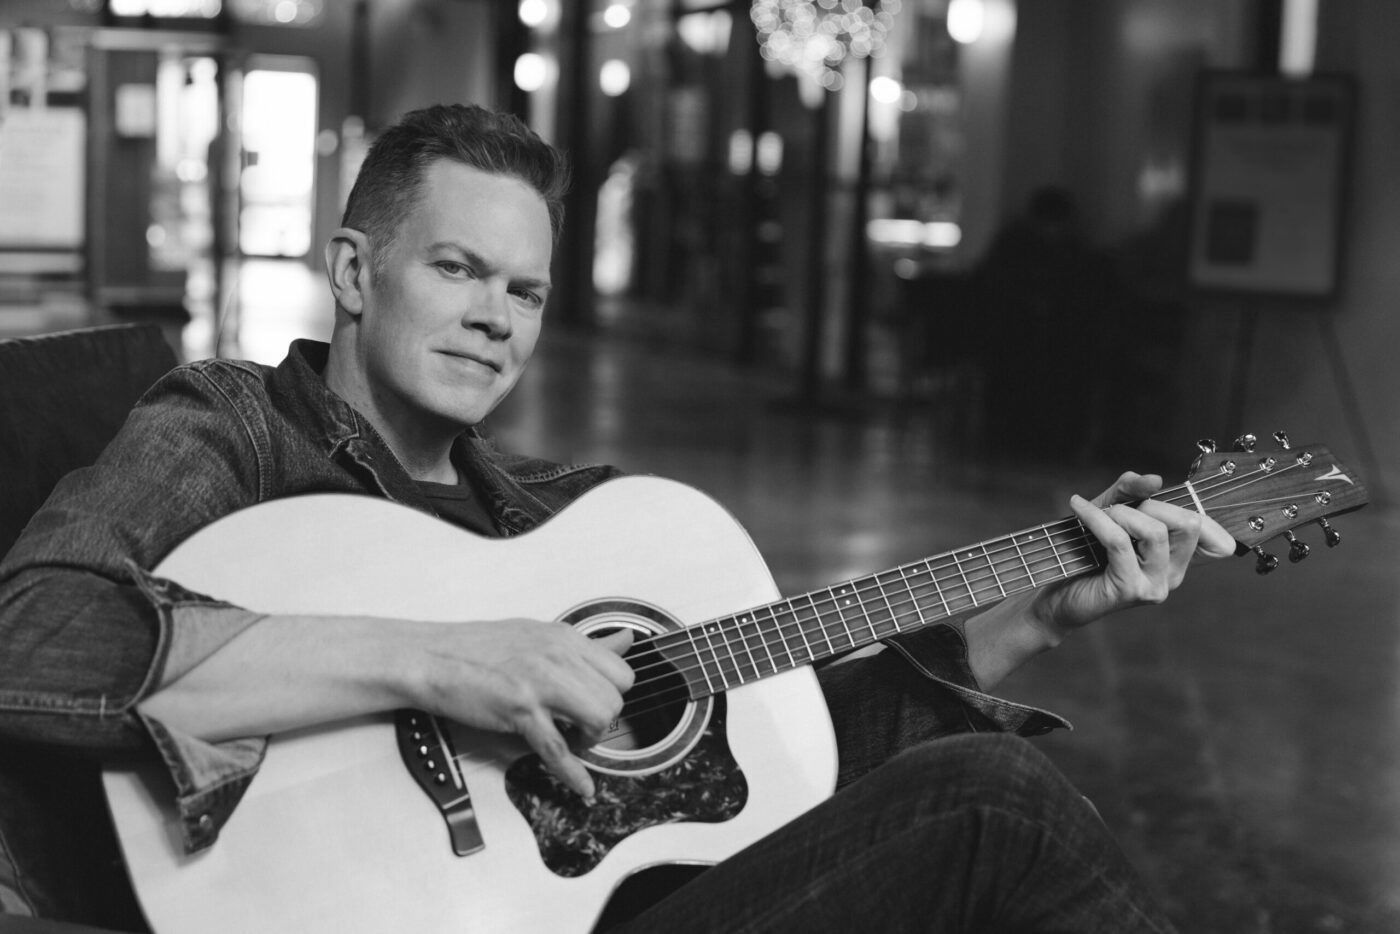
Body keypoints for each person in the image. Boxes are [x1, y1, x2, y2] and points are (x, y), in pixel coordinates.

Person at [0, 104, 1234, 932]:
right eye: (456, 268)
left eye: (526, 289)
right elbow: (32, 640)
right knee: (994, 802)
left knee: (978, 794)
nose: (497, 314)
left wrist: (1021, 623)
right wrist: (437, 658)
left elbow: (772, 786)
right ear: (355, 272)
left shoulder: (558, 517)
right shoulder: (235, 427)